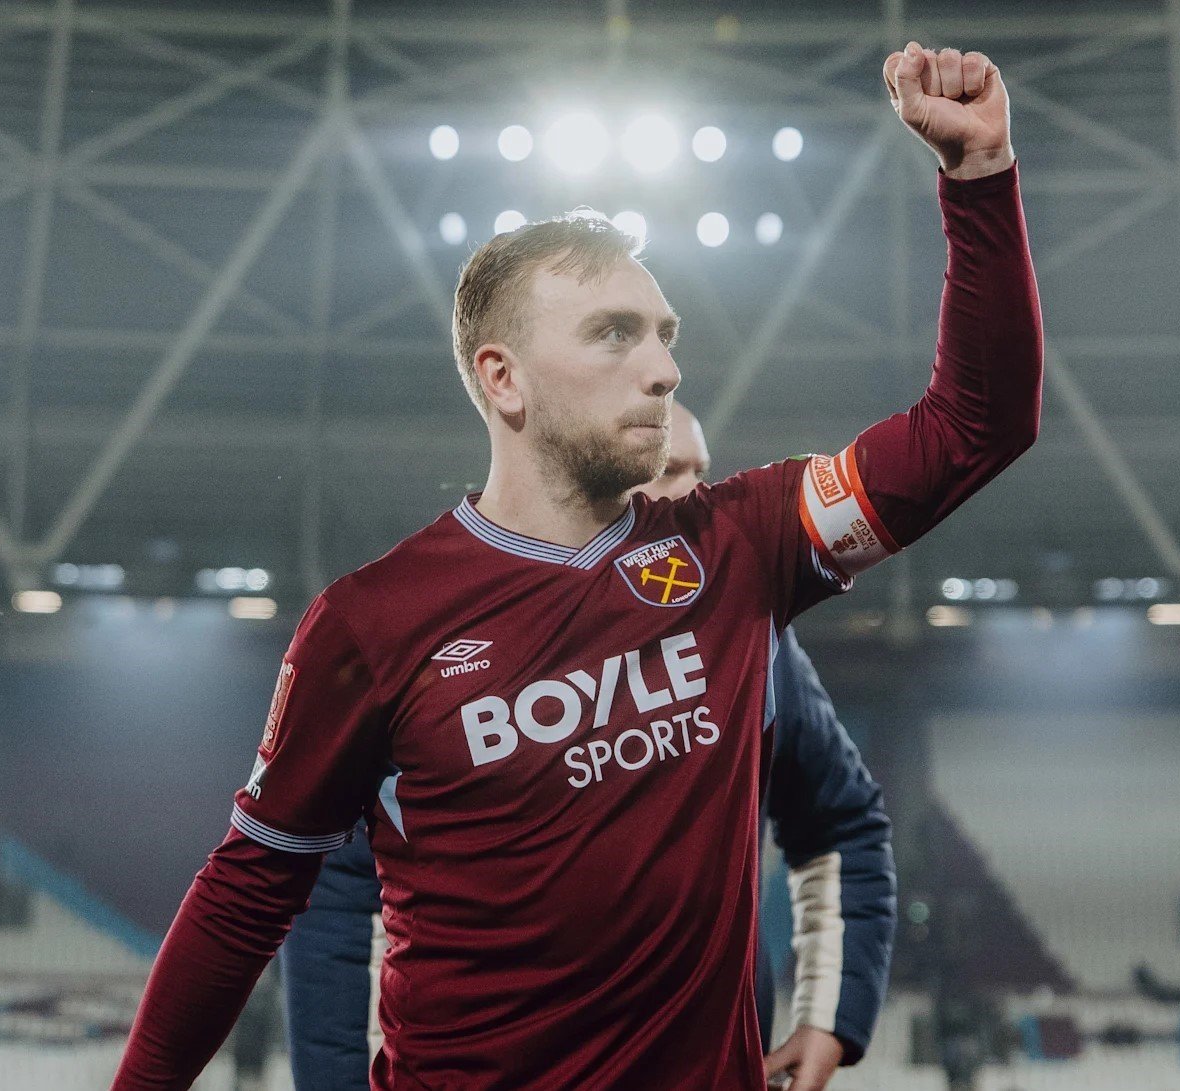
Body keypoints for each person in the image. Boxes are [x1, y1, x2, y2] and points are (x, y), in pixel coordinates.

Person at [114, 42, 1041, 1090]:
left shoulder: (740, 548)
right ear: (501, 379)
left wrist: (981, 178)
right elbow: (250, 892)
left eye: (664, 333)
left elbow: (978, 424)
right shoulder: (371, 624)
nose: (663, 366)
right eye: (613, 334)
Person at [277, 404, 897, 1090]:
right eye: (666, 471)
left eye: (702, 471)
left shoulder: (754, 638)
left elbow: (840, 820)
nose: (694, 493)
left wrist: (829, 1013)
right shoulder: (442, 642)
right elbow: (333, 890)